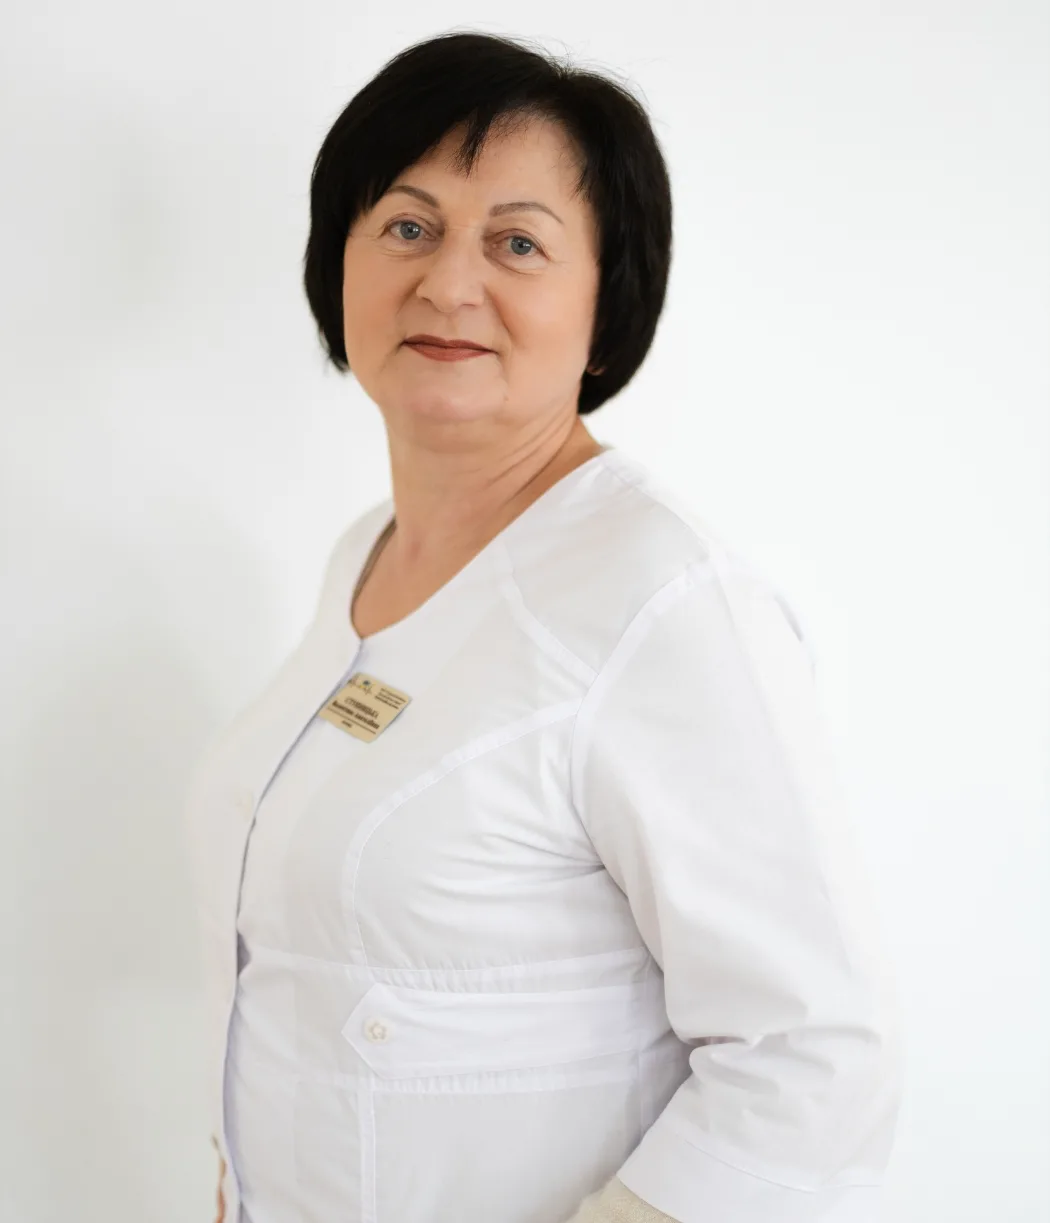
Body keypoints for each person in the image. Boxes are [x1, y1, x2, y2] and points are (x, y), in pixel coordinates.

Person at [183, 29, 903, 1223]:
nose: (447, 282)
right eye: (406, 225)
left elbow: (815, 1061)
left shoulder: (662, 597)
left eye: (517, 242)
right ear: (337, 264)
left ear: (606, 306)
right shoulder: (364, 554)